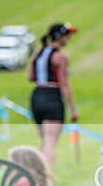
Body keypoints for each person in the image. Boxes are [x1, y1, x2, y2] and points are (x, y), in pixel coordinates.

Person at [28, 22, 78, 170]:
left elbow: (31, 76)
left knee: (44, 140)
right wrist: (72, 108)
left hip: (37, 96)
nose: (68, 39)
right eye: (67, 36)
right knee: (50, 143)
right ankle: (46, 178)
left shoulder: (38, 52)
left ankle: (38, 174)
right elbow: (64, 84)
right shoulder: (61, 57)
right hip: (52, 97)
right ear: (60, 37)